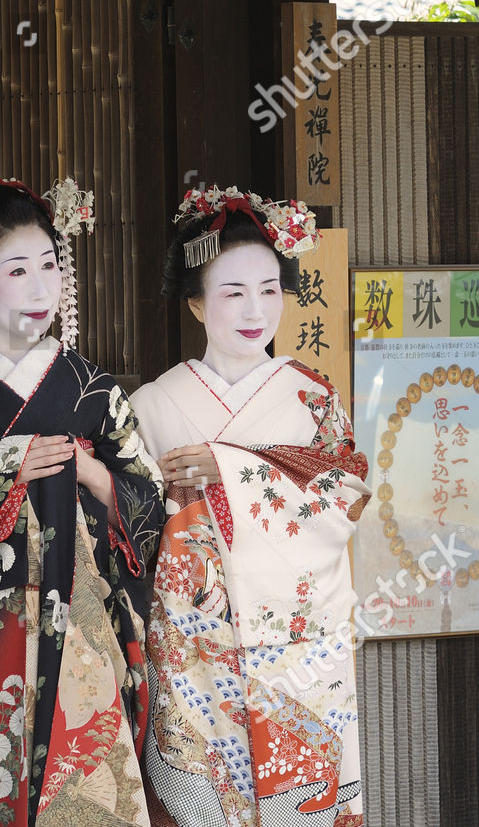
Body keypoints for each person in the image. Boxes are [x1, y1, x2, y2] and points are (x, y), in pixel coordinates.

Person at [0, 174, 164, 826]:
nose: (43, 286)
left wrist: (99, 481)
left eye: (50, 265)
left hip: (82, 632)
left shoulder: (89, 386)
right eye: (18, 270)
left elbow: (150, 500)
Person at [132, 188, 370, 827]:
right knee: (200, 802)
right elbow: (132, 522)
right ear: (195, 302)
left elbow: (346, 490)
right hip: (192, 641)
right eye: (233, 292)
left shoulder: (312, 395)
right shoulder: (153, 404)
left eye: (269, 289)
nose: (255, 309)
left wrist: (231, 469)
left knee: (301, 799)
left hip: (297, 637)